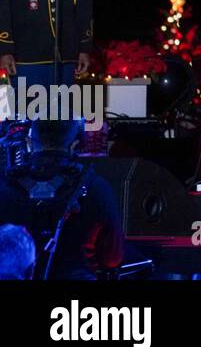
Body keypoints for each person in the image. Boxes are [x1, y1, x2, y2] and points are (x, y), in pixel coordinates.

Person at [0, 120, 124, 280]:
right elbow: (112, 258)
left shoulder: (5, 187)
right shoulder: (95, 187)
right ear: (76, 145)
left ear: (29, 142)